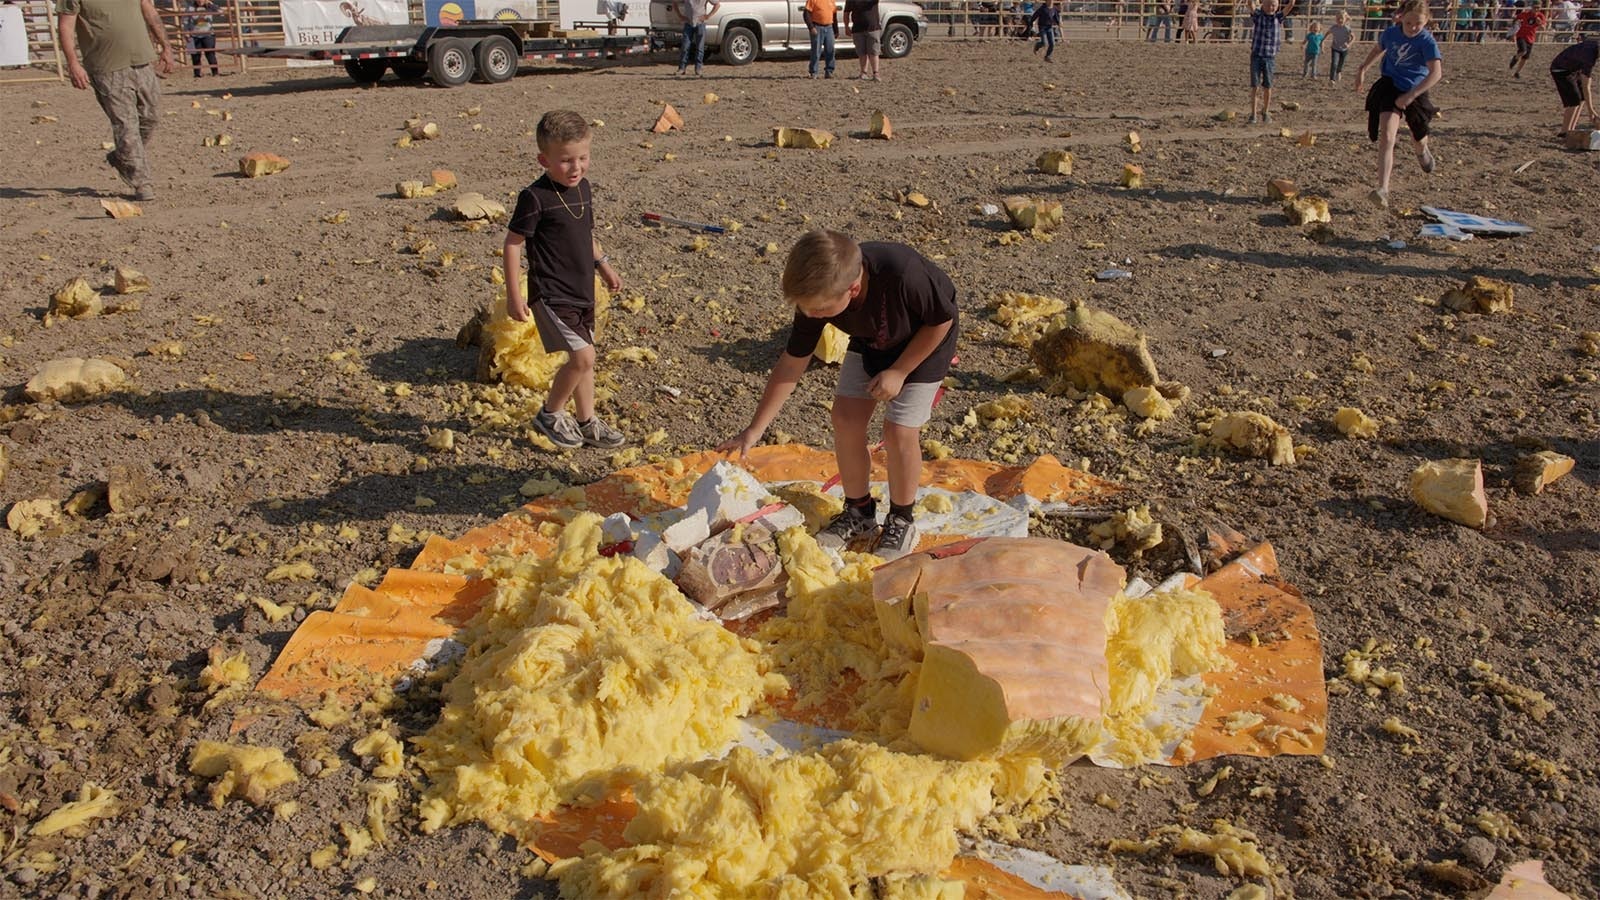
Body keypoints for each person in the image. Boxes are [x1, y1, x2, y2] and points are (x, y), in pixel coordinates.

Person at [717, 230, 960, 560]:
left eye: (819, 310)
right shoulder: (818, 298)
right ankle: (859, 513)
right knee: (845, 418)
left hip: (924, 344)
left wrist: (900, 371)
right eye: (807, 309)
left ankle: (902, 519)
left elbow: (941, 321)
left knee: (899, 429)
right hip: (872, 338)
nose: (813, 316)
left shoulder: (902, 273)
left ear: (854, 288)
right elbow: (791, 364)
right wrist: (753, 430)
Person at [504, 110, 627, 451]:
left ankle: (587, 422)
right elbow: (513, 244)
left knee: (586, 359)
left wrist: (603, 264)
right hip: (551, 292)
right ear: (543, 159)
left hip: (582, 289)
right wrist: (516, 295)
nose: (576, 168)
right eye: (565, 161)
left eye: (583, 158)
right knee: (583, 358)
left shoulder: (583, 189)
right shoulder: (535, 197)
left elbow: (584, 233)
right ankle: (550, 413)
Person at [57, 0, 175, 202]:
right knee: (126, 125)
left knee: (151, 118)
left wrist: (166, 46)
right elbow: (65, 26)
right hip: (106, 67)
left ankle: (122, 157)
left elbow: (150, 12)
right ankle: (141, 182)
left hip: (142, 61)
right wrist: (73, 63)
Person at [1353, 0, 1442, 208]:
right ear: (1401, 17)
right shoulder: (1391, 33)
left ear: (1426, 21)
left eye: (1417, 24)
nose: (1412, 28)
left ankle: (1422, 151)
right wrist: (1363, 69)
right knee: (1387, 136)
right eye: (1408, 22)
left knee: (1418, 138)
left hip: (1415, 89)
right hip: (1390, 86)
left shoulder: (1427, 42)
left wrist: (1411, 96)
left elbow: (1436, 73)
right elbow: (1378, 49)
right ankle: (1383, 188)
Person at [1247, 0, 1297, 125]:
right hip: (1256, 56)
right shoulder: (1258, 15)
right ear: (1263, 4)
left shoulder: (1278, 17)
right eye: (1268, 4)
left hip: (1270, 57)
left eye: (1274, 5)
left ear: (1277, 6)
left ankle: (1265, 111)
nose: (1271, 7)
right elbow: (1250, 5)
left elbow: (1290, 5)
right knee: (1255, 86)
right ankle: (1253, 114)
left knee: (1268, 86)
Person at [1550, 35, 1599, 133]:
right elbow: (1586, 87)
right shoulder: (1589, 57)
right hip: (1560, 69)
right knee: (1574, 100)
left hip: (1573, 69)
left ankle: (1572, 129)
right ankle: (1565, 132)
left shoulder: (1594, 46)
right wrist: (1591, 111)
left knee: (1581, 98)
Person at [676, 0, 720, 76]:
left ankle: (698, 68)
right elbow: (675, 3)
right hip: (688, 23)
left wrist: (708, 16)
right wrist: (680, 15)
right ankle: (682, 68)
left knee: (700, 47)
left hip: (700, 23)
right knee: (685, 46)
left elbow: (717, 5)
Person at [844, 0, 881, 79]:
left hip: (872, 28)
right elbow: (846, 12)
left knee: (874, 51)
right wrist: (846, 27)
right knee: (861, 52)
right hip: (858, 29)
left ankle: (875, 73)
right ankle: (863, 72)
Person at [1510, 1, 1547, 77]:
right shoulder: (1525, 14)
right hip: (1521, 35)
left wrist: (1539, 23)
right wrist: (1512, 31)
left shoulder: (1541, 16)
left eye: (1538, 8)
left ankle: (1517, 72)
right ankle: (1515, 58)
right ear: (1532, 7)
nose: (1536, 9)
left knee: (1525, 57)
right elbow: (1516, 18)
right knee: (1523, 51)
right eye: (1535, 7)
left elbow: (1543, 28)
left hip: (1531, 38)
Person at [183, 0, 219, 77]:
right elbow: (185, 21)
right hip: (194, 35)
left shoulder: (209, 7)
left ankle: (215, 72)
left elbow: (221, 12)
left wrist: (212, 5)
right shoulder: (190, 8)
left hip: (208, 34)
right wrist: (186, 32)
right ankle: (197, 74)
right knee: (195, 55)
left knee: (210, 54)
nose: (200, 1)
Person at [804, 0, 837, 78]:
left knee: (830, 50)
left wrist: (836, 30)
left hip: (829, 27)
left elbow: (834, 15)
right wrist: (811, 27)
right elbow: (806, 13)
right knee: (816, 51)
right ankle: (813, 72)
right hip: (817, 27)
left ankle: (829, 71)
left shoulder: (832, 1)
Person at [1327, 10, 1353, 79]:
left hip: (1344, 49)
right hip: (1335, 48)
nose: (1340, 20)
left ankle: (1339, 71)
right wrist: (1322, 41)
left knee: (1341, 63)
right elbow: (1328, 32)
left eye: (1342, 18)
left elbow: (1353, 37)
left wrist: (1349, 44)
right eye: (1338, 18)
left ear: (1345, 19)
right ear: (1336, 19)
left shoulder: (1347, 28)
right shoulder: (1334, 27)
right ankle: (1332, 79)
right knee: (1334, 63)